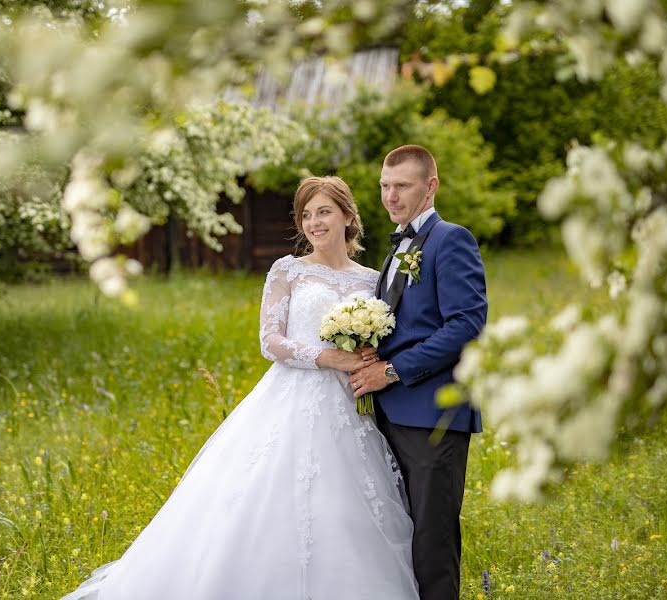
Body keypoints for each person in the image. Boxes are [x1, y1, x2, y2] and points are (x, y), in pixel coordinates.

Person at [61, 176, 418, 600]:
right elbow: (271, 342)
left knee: (343, 507)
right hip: (291, 397)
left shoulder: (372, 280)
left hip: (349, 404)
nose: (314, 222)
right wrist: (327, 357)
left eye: (323, 211)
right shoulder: (288, 270)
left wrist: (366, 357)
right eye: (305, 214)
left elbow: (381, 341)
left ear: (347, 216)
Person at [349, 145, 488, 600]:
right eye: (386, 186)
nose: (391, 196)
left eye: (402, 185)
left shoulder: (452, 239)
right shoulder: (399, 246)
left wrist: (390, 370)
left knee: (432, 538)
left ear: (431, 186)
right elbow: (405, 320)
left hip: (433, 414)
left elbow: (467, 324)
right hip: (390, 413)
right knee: (396, 533)